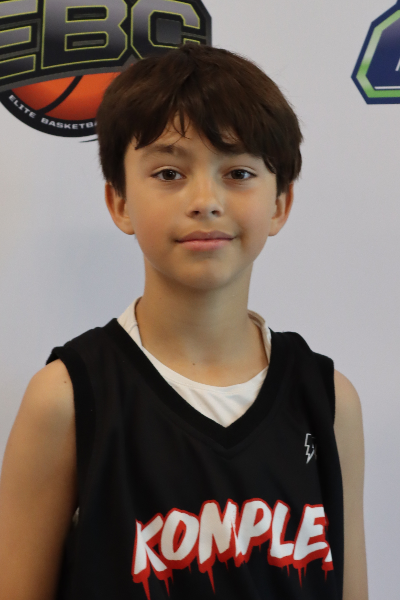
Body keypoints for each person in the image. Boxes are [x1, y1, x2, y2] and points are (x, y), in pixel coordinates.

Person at [0, 44, 368, 600]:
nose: (205, 200)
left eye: (238, 172)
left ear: (279, 204)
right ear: (119, 202)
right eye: (169, 172)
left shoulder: (329, 400)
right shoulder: (67, 398)